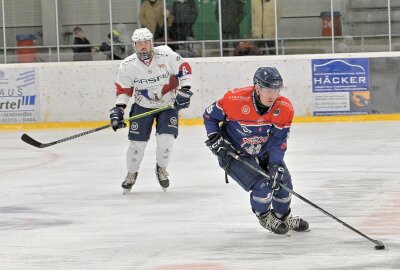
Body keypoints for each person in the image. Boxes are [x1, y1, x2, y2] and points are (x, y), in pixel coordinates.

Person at [203, 67, 309, 235]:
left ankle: (282, 215)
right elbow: (209, 116)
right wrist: (215, 137)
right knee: (263, 185)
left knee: (283, 182)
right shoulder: (234, 99)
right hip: (235, 154)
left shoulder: (285, 107)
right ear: (257, 88)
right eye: (269, 89)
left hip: (263, 151)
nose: (273, 95)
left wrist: (275, 164)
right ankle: (264, 215)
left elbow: (278, 140)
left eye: (276, 89)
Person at [109, 28, 193, 194]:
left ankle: (161, 169)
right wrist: (119, 109)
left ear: (152, 43)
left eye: (146, 42)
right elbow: (123, 90)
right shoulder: (127, 65)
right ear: (134, 45)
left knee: (166, 141)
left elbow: (184, 69)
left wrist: (186, 90)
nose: (143, 46)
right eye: (139, 43)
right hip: (142, 106)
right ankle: (131, 174)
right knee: (136, 146)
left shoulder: (166, 55)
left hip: (168, 105)